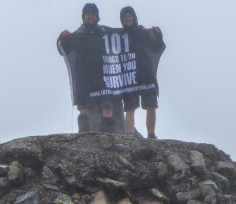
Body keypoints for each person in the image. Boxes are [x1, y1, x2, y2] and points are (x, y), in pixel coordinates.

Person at [58, 3, 118, 133]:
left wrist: (141, 30)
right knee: (84, 108)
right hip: (84, 77)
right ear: (84, 16)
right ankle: (83, 139)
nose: (90, 17)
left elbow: (123, 35)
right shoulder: (77, 35)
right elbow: (62, 49)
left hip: (103, 75)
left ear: (97, 16)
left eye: (93, 14)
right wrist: (62, 38)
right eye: (88, 14)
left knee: (107, 107)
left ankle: (110, 138)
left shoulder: (104, 32)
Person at [119, 6, 165, 139]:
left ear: (134, 17)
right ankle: (129, 134)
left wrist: (158, 36)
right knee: (129, 107)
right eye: (125, 17)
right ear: (122, 20)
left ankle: (151, 134)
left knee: (151, 105)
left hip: (145, 72)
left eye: (130, 16)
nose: (128, 19)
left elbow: (156, 47)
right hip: (129, 74)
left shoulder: (143, 32)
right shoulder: (119, 35)